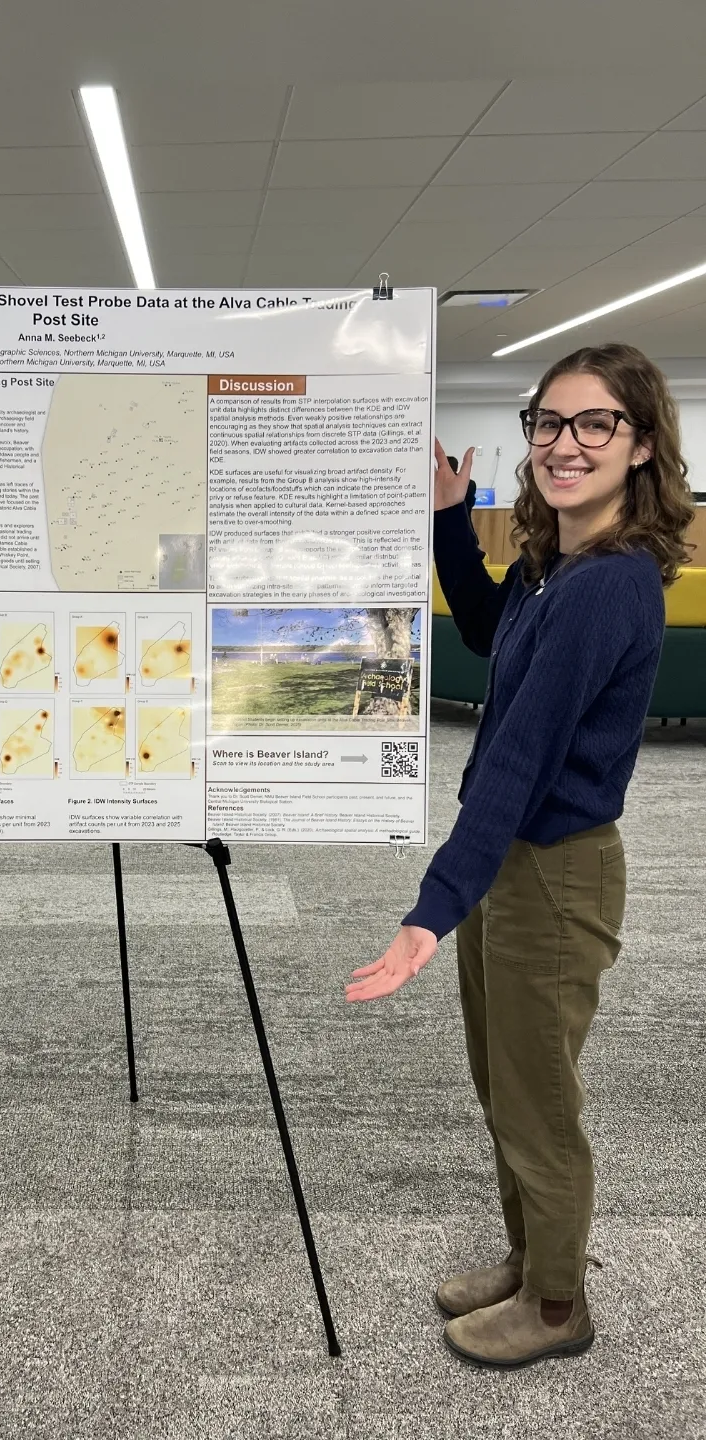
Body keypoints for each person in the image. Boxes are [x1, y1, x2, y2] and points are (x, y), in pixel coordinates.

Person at [345, 344, 696, 1369]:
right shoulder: (556, 568)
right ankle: (533, 1255)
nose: (565, 444)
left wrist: (430, 909)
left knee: (538, 1096)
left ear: (639, 446)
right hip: (517, 864)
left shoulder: (606, 586)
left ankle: (556, 1308)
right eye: (549, 423)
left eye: (595, 425)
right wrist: (454, 515)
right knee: (505, 1081)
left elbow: (518, 761)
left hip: (555, 869)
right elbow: (490, 626)